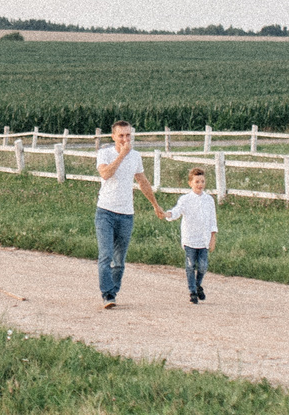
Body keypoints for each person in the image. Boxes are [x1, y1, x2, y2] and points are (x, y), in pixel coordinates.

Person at [93, 120, 162, 308]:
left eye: (128, 135)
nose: (125, 139)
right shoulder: (104, 153)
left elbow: (143, 181)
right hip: (105, 212)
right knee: (105, 255)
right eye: (121, 135)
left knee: (119, 260)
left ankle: (113, 292)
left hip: (126, 214)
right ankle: (107, 294)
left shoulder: (136, 156)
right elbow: (105, 174)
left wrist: (155, 205)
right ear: (113, 136)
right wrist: (122, 155)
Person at [161, 165, 219, 302]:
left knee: (203, 265)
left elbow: (212, 220)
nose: (200, 185)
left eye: (202, 181)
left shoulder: (209, 200)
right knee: (190, 264)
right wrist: (167, 214)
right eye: (197, 182)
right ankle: (192, 291)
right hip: (190, 239)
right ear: (190, 183)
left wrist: (213, 237)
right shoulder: (185, 199)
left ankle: (198, 284)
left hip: (203, 239)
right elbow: (176, 211)